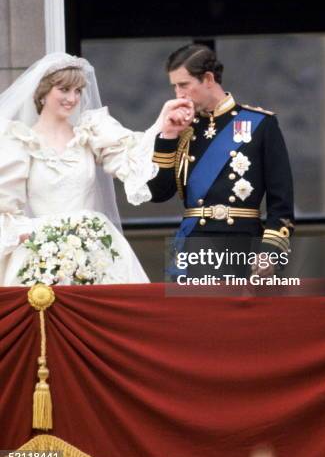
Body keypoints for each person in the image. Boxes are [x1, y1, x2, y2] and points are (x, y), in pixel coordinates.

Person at [0, 52, 192, 286]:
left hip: (96, 249)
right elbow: (6, 208)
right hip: (42, 255)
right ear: (42, 93)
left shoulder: (91, 132)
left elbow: (134, 157)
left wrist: (163, 125)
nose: (72, 98)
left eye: (78, 91)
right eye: (64, 89)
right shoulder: (20, 141)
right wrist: (37, 239)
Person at [147, 43, 294, 280]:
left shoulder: (260, 124)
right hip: (196, 243)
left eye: (184, 85)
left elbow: (282, 201)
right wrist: (168, 136)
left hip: (245, 245)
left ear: (207, 78)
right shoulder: (182, 129)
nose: (178, 94)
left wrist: (270, 250)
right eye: (174, 86)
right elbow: (158, 193)